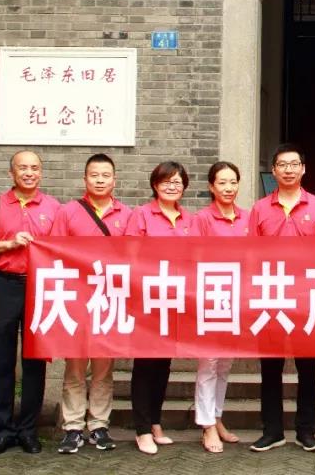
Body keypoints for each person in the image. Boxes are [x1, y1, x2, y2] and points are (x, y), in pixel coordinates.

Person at [0, 150, 60, 456]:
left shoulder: (53, 207)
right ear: (12, 173)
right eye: (23, 168)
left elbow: (63, 248)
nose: (29, 173)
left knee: (35, 359)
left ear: (41, 173)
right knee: (3, 359)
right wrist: (8, 244)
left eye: (34, 168)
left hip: (40, 287)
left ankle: (28, 430)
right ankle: (4, 429)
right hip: (6, 285)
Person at [247, 144, 315, 453]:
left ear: (303, 169)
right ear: (273, 170)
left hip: (307, 299)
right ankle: (272, 430)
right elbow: (251, 254)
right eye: (282, 164)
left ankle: (306, 431)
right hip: (270, 297)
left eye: (294, 164)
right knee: (271, 369)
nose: (289, 169)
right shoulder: (259, 209)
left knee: (308, 369)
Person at [51, 153, 128, 454]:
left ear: (114, 180)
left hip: (109, 299)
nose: (99, 180)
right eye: (94, 175)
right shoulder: (68, 212)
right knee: (74, 367)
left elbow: (133, 256)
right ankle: (72, 427)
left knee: (103, 368)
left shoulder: (126, 214)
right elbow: (54, 252)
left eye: (105, 175)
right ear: (85, 179)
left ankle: (99, 426)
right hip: (76, 299)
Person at [125, 161, 195, 455]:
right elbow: (130, 254)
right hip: (147, 299)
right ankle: (141, 429)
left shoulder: (189, 219)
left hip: (175, 300)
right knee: (145, 364)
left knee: (164, 364)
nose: (171, 186)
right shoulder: (142, 214)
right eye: (166, 181)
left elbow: (196, 256)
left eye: (177, 182)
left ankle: (155, 422)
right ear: (155, 185)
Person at [190, 160, 249, 453]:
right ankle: (206, 424)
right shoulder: (201, 219)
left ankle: (217, 417)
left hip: (237, 296)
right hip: (211, 295)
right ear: (211, 187)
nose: (228, 188)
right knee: (209, 362)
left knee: (225, 363)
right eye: (222, 182)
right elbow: (193, 257)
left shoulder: (248, 217)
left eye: (233, 182)